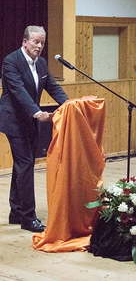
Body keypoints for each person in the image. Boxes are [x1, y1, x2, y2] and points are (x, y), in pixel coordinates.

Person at [0, 26, 68, 232]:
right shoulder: (11, 61)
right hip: (14, 120)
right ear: (25, 42)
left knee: (23, 164)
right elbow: (18, 91)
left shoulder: (42, 64)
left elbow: (53, 87)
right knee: (26, 163)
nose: (39, 46)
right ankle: (28, 218)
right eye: (36, 42)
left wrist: (69, 105)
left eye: (42, 43)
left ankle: (16, 211)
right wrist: (36, 112)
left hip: (29, 121)